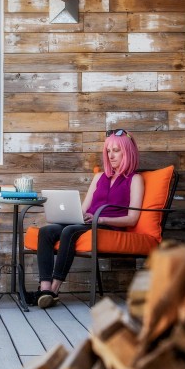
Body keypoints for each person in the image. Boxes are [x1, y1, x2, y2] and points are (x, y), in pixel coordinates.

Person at [35, 129, 144, 309]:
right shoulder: (99, 177)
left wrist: (99, 219)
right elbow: (83, 209)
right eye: (108, 151)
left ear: (128, 152)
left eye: (116, 150)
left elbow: (132, 218)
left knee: (70, 231)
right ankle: (44, 289)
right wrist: (75, 215)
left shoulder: (135, 179)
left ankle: (54, 290)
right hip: (88, 223)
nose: (111, 155)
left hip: (109, 226)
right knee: (47, 231)